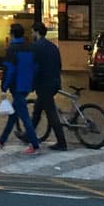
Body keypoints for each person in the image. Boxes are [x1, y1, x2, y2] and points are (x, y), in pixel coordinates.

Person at [0, 22, 38, 153]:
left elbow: (9, 70)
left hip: (17, 86)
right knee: (13, 114)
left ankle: (34, 144)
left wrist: (4, 88)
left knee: (24, 117)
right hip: (26, 85)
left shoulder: (11, 50)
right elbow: (35, 67)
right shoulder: (29, 47)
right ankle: (2, 140)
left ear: (12, 34)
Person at [28, 20, 67, 151]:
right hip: (54, 82)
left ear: (37, 32)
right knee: (37, 110)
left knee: (51, 113)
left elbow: (34, 68)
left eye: (32, 31)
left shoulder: (36, 46)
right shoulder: (53, 46)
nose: (31, 33)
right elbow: (59, 65)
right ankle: (28, 134)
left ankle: (62, 142)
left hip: (44, 84)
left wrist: (30, 84)